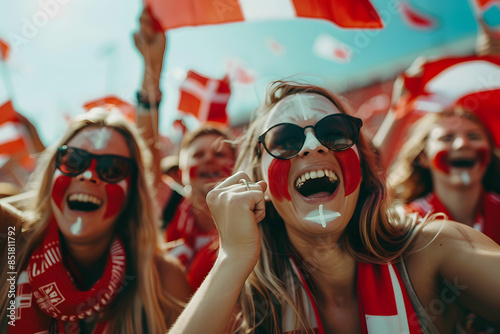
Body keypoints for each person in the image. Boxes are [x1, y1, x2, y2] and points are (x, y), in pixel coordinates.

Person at [169, 81, 500, 334]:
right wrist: (232, 259)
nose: (313, 147)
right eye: (284, 141)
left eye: (335, 133)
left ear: (364, 167)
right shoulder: (240, 298)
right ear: (259, 182)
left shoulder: (431, 248)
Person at [0, 109, 191, 333]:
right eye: (73, 160)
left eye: (112, 169)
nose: (88, 175)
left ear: (133, 193)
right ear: (52, 172)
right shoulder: (9, 237)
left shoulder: (162, 278)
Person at [133, 7, 237, 291]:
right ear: (182, 171)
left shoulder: (254, 215)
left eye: (220, 153)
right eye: (198, 154)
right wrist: (152, 66)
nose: (209, 160)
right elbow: (145, 149)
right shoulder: (170, 206)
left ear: (237, 166)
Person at [388, 106, 500, 244]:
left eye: (474, 136)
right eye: (447, 138)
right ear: (422, 157)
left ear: (490, 151)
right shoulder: (406, 224)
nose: (462, 144)